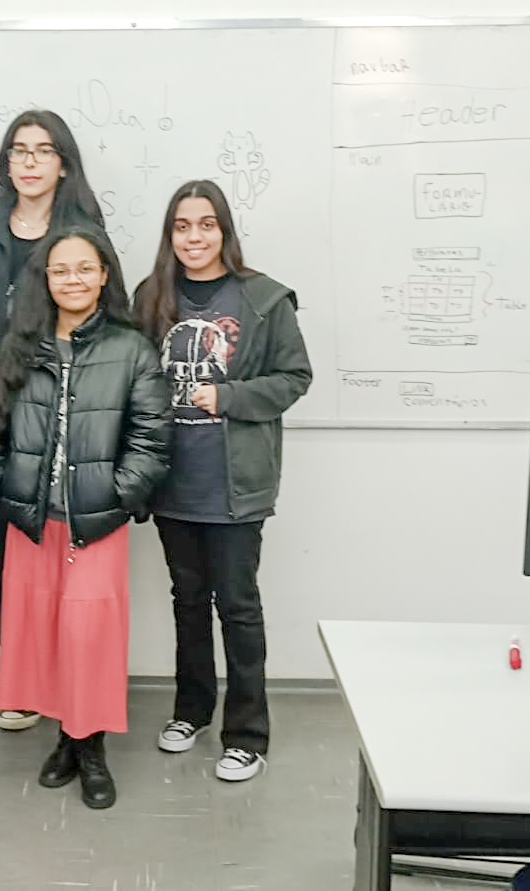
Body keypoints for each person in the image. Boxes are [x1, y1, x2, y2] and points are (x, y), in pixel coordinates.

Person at [0, 225, 170, 809]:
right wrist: (4, 485)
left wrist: (114, 497)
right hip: (34, 522)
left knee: (90, 638)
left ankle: (92, 748)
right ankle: (66, 738)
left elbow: (153, 441)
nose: (73, 280)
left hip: (95, 522)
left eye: (85, 268)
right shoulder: (20, 345)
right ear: (46, 280)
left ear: (104, 275)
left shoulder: (131, 349)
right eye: (60, 270)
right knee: (44, 635)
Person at [131, 180, 313, 782]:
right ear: (170, 234)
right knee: (187, 602)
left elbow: (294, 377)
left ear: (224, 231)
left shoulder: (264, 298)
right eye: (182, 226)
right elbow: (132, 378)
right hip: (172, 485)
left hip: (235, 488)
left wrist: (228, 396)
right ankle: (191, 711)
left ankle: (247, 735)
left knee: (237, 607)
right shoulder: (150, 296)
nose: (194, 237)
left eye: (206, 225)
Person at [0, 110, 103, 730]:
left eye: (43, 150)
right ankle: (16, 671)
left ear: (63, 163)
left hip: (56, 420)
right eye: (19, 149)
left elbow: (101, 323)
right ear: (6, 161)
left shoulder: (82, 230)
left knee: (55, 554)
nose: (30, 161)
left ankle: (56, 675)